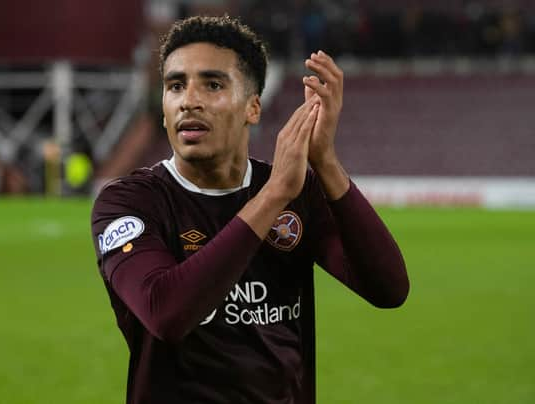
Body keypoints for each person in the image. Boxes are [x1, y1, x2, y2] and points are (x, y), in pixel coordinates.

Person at [91, 15, 409, 404]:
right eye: (176, 86)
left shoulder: (296, 191)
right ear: (163, 106)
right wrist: (273, 196)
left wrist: (324, 161)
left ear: (253, 108)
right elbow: (166, 314)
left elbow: (388, 289)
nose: (189, 100)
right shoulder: (129, 202)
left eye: (212, 84)